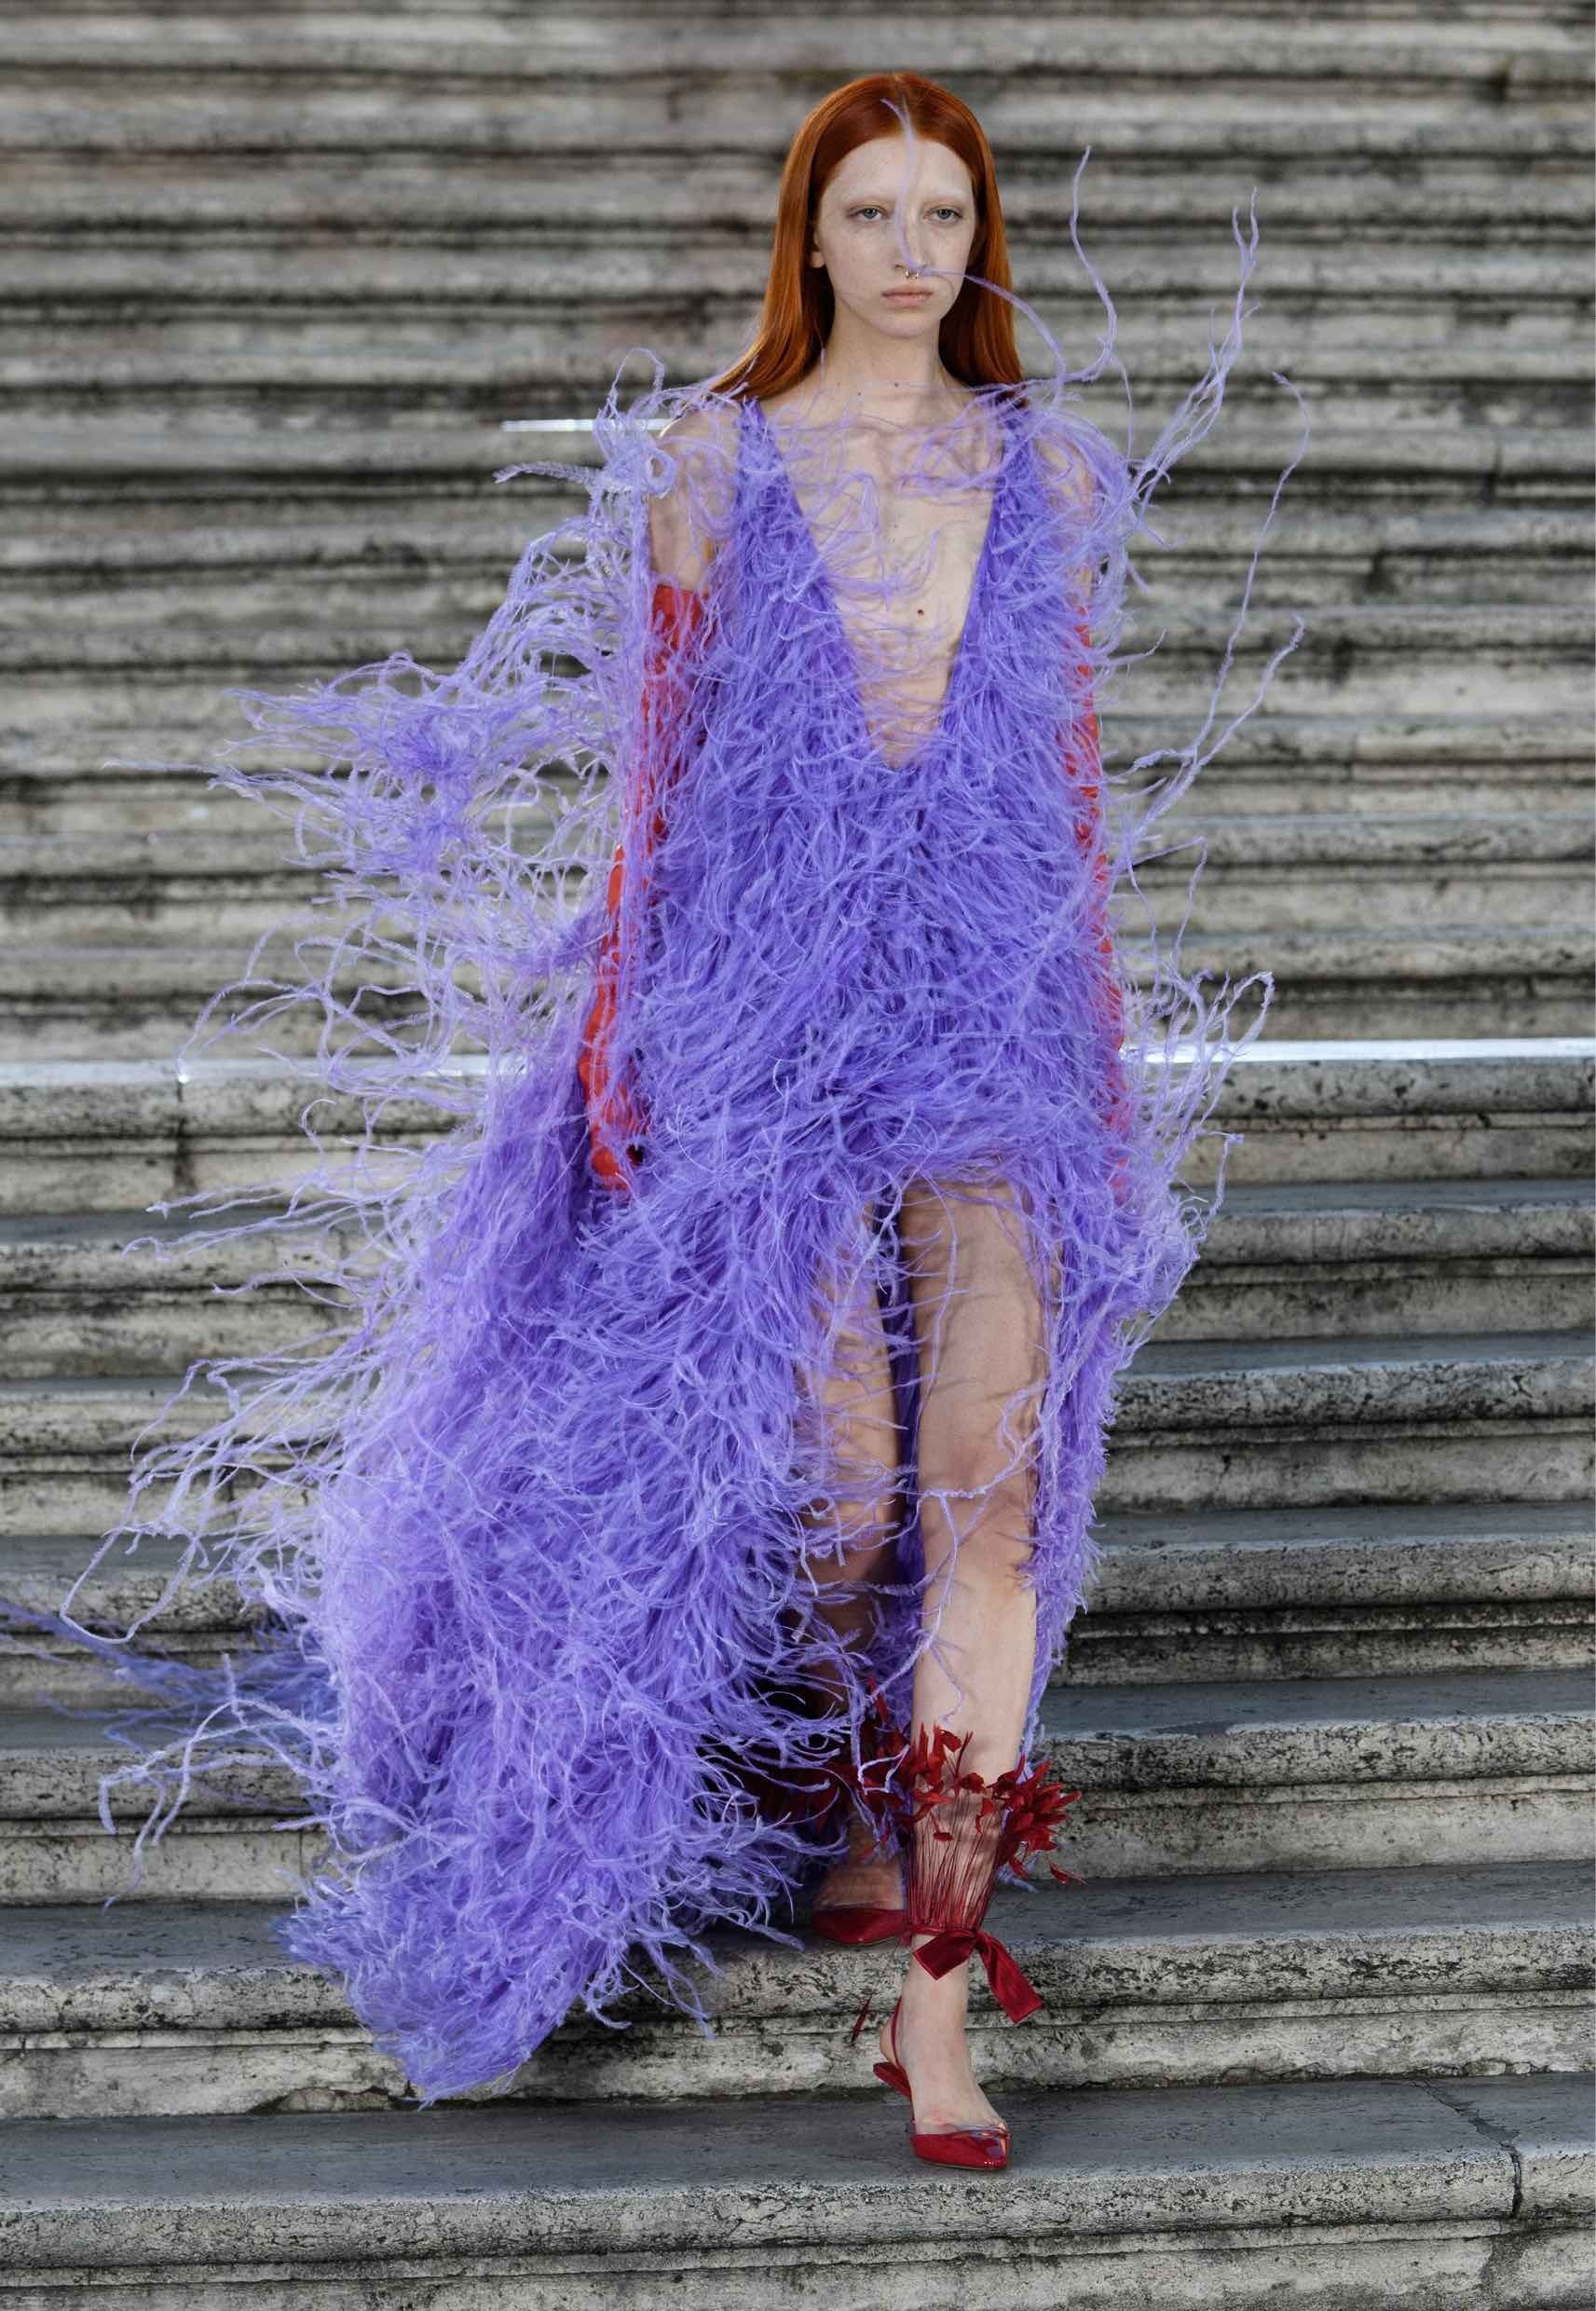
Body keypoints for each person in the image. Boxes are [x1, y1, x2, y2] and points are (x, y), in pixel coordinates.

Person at [0, 72, 1305, 2163]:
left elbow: (1060, 787)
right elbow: (656, 771)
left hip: (990, 1030)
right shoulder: (713, 462)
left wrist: (1105, 1061)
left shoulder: (1043, 469)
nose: (908, 250)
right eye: (869, 212)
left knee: (984, 1493)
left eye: (942, 212)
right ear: (809, 238)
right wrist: (619, 1042)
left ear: (978, 235)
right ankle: (829, 1773)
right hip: (760, 1031)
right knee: (846, 1496)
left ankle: (936, 1997)